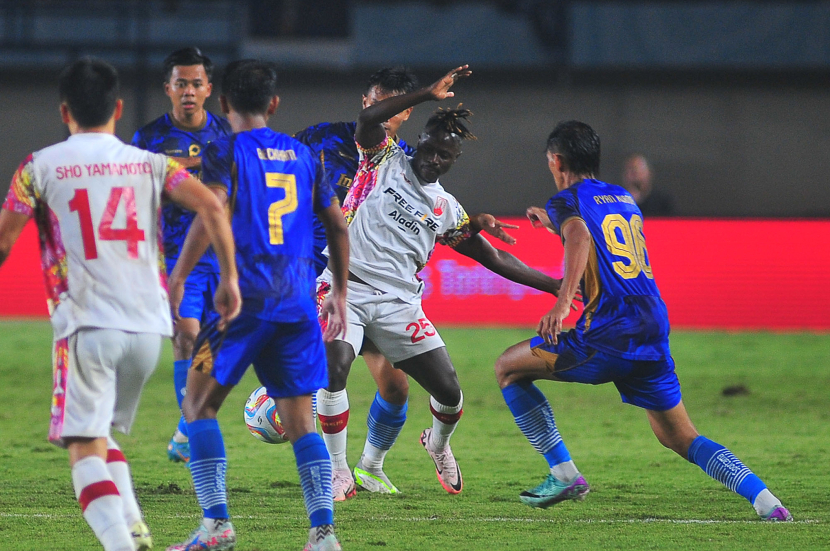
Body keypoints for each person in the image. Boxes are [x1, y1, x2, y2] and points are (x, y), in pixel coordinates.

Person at [493, 120, 791, 521]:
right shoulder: (622, 197)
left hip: (608, 329)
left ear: (556, 160)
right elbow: (601, 239)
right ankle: (767, 501)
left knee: (508, 368)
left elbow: (580, 236)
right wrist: (553, 226)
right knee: (680, 436)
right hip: (651, 323)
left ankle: (564, 474)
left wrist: (563, 302)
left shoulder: (565, 199)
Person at [0, 57, 240, 551]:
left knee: (81, 447)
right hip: (149, 331)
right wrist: (231, 278)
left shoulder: (39, 165)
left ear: (64, 110)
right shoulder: (152, 163)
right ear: (118, 107)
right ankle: (135, 526)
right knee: (99, 434)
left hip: (89, 325)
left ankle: (121, 544)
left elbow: (5, 242)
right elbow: (213, 205)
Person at [316, 65, 566, 497]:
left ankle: (437, 444)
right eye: (429, 149)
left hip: (399, 305)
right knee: (333, 368)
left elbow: (492, 256)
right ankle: (337, 470)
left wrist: (556, 287)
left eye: (443, 156)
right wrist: (425, 95)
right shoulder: (383, 158)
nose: (433, 159)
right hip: (347, 289)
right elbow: (368, 120)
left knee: (450, 394)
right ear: (419, 143)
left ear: (453, 161)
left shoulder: (447, 209)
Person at [165, 59, 350, 551]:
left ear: (222, 105)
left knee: (198, 406)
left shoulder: (224, 149)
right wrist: (341, 292)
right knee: (300, 423)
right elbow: (336, 224)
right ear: (274, 104)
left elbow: (212, 210)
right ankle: (323, 534)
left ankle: (217, 526)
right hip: (296, 304)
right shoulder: (307, 155)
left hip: (242, 302)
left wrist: (181, 276)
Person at [131, 47, 233, 464]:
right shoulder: (147, 139)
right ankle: (194, 426)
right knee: (185, 336)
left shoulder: (227, 133)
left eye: (196, 83)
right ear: (168, 89)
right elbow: (135, 199)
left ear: (208, 88)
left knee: (215, 351)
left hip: (221, 256)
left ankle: (184, 429)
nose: (188, 91)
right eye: (180, 84)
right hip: (173, 257)